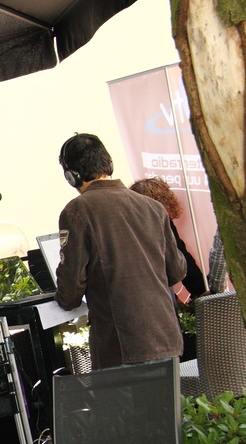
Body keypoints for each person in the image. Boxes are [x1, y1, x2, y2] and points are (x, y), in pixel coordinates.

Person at [55, 133, 187, 370]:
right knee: (165, 408)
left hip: (122, 345)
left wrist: (62, 300)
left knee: (126, 409)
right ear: (109, 164)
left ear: (71, 176)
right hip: (166, 337)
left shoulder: (77, 211)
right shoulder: (153, 207)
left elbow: (71, 288)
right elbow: (176, 270)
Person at [129, 177, 208, 301]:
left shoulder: (127, 226)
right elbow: (180, 258)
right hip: (159, 292)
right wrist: (201, 291)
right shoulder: (161, 222)